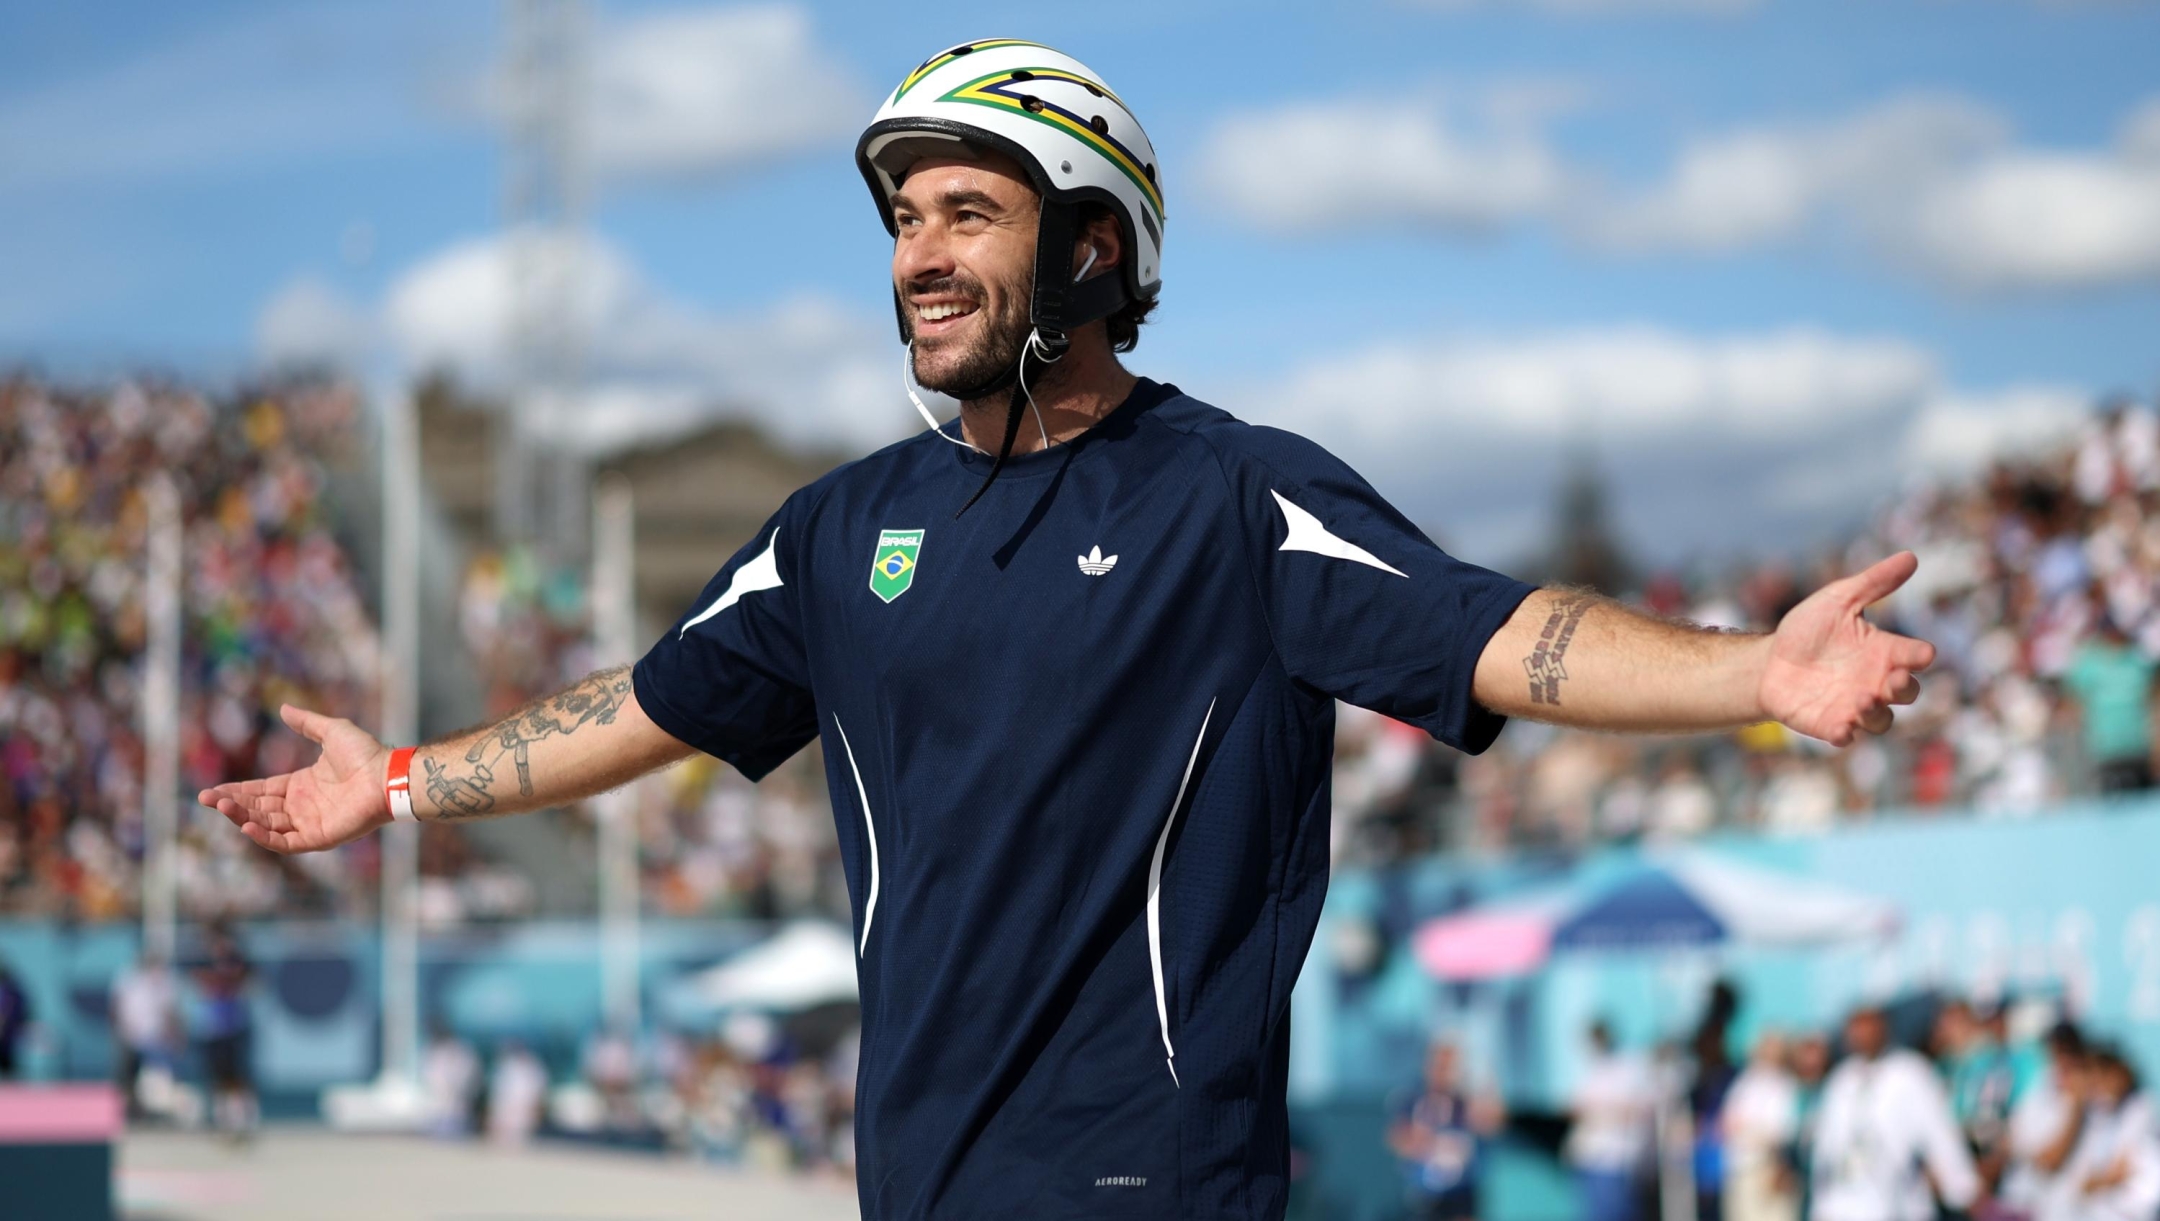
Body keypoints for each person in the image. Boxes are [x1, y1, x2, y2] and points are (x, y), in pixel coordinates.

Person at [197, 38, 1937, 1221]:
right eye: (903, 221)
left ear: (1095, 244)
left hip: (1150, 1186)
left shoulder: (1231, 495)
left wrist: (1752, 677)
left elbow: (1494, 631)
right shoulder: (839, 529)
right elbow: (643, 709)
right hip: (912, 1184)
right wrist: (403, 784)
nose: (918, 257)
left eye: (969, 212)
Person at [1810, 1005, 1981, 1221]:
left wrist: (1962, 1187)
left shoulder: (1910, 1072)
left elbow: (1939, 1132)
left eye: (1868, 1028)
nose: (1861, 1036)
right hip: (1843, 1206)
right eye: (1855, 1030)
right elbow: (1826, 1147)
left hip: (1897, 1205)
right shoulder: (1841, 1080)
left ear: (1883, 1029)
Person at [1388, 1041, 1500, 1221]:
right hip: (1425, 1190)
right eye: (1439, 1065)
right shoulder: (1413, 1097)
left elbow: (1492, 1124)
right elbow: (1397, 1138)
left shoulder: (1466, 1099)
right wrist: (1423, 1142)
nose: (1443, 1072)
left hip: (1462, 1191)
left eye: (1449, 1066)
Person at [1566, 1020, 1654, 1221]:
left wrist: (1603, 1112)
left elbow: (1637, 1108)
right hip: (1590, 1156)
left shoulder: (1630, 1065)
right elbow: (1577, 1107)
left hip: (1616, 1158)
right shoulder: (1595, 1068)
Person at [2060, 616, 2159, 794]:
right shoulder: (2090, 663)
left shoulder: (2137, 662)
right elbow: (2072, 697)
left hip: (2138, 747)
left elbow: (2153, 698)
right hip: (2107, 750)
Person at [1723, 1031, 1800, 1221]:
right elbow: (1728, 1123)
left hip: (1771, 1169)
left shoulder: (1787, 1085)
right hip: (1742, 1169)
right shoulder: (1744, 1083)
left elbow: (1782, 1133)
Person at [193, 925, 256, 1142]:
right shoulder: (207, 967)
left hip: (232, 1031)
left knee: (237, 1078)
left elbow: (242, 980)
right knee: (218, 1080)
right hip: (213, 1032)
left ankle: (244, 1120)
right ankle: (224, 1122)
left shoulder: (238, 967)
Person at [110, 952, 182, 1119]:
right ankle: (128, 1113)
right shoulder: (128, 978)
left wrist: (173, 1033)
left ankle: (157, 1113)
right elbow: (116, 1006)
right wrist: (122, 1030)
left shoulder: (165, 981)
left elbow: (169, 1011)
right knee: (128, 1079)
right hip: (129, 1037)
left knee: (157, 1079)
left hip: (155, 1040)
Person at [422, 1021, 482, 1138]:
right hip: (437, 1111)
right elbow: (430, 1080)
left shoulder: (462, 1052)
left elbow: (470, 1080)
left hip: (457, 1110)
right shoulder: (432, 1051)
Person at [0, 957, 30, 1079]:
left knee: (7, 1063)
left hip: (8, 1035)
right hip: (10, 1034)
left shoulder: (7, 990)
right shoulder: (14, 989)